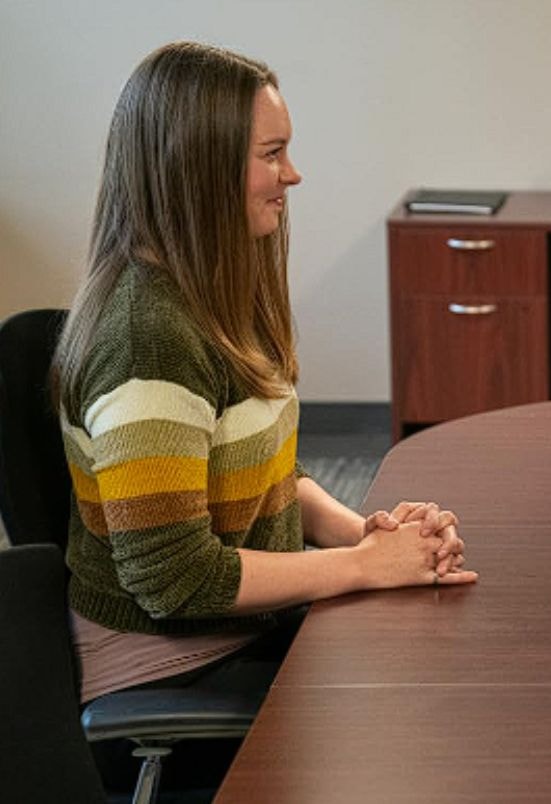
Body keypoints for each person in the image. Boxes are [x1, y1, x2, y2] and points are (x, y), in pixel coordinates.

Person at [53, 41, 477, 783]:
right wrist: (360, 568)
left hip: (238, 628)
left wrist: (368, 535)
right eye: (272, 154)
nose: (293, 175)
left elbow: (265, 475)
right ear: (199, 164)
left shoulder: (210, 294)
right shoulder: (146, 340)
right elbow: (175, 580)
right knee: (429, 733)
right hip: (173, 662)